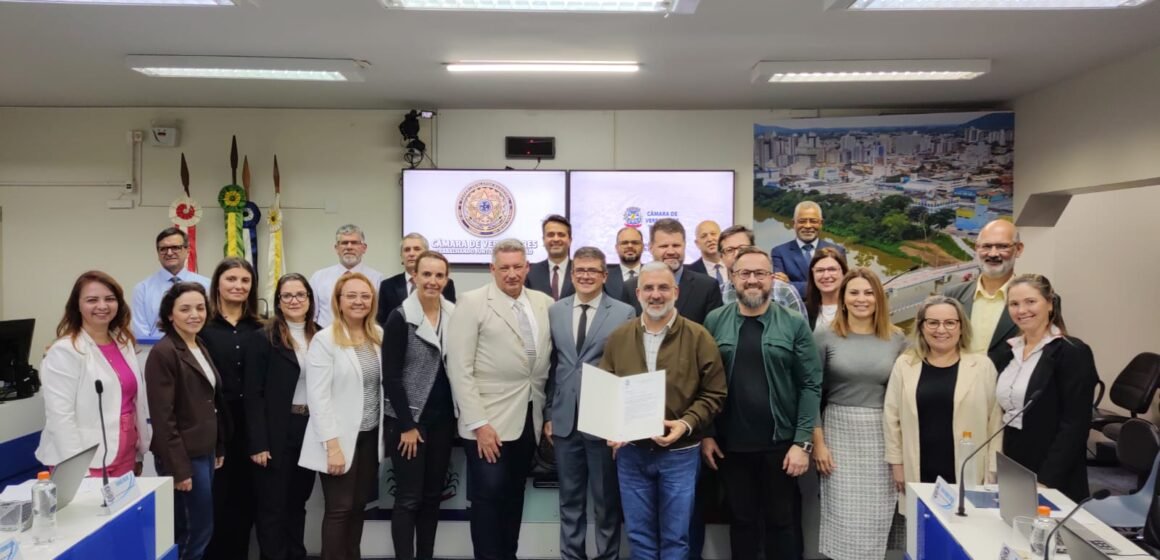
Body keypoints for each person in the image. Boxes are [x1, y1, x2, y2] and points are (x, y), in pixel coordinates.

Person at [599, 261, 728, 560]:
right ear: (638, 292)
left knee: (676, 540)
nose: (656, 294)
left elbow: (714, 393)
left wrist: (686, 423)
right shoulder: (619, 337)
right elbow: (606, 390)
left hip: (680, 454)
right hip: (631, 454)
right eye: (649, 288)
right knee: (639, 538)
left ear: (676, 292)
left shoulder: (699, 337)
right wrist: (611, 426)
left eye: (663, 287)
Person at [702, 247, 823, 560]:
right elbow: (703, 382)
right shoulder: (715, 320)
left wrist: (802, 443)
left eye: (760, 274)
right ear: (733, 278)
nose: (752, 280)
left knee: (782, 524)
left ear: (771, 279)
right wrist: (708, 433)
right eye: (745, 274)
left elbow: (811, 384)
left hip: (781, 446)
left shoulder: (794, 323)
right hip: (731, 446)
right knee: (741, 523)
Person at [446, 239, 553, 560]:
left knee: (513, 496)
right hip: (487, 423)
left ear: (527, 268)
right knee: (488, 498)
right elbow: (459, 368)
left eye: (517, 267)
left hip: (528, 418)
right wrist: (479, 424)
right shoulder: (472, 302)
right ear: (492, 269)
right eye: (504, 267)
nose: (511, 274)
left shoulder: (544, 303)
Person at [544, 247, 636, 560]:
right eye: (580, 270)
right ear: (572, 274)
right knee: (569, 500)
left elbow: (628, 368)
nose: (585, 275)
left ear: (604, 275)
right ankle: (571, 556)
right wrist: (547, 414)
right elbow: (551, 365)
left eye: (593, 270)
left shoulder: (623, 312)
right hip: (564, 420)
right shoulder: (555, 310)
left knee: (605, 501)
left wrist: (622, 422)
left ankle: (607, 556)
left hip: (603, 420)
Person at [812, 268, 908, 560]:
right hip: (838, 434)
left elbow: (902, 396)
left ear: (879, 299)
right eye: (853, 292)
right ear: (842, 298)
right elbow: (811, 392)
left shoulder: (898, 339)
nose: (861, 299)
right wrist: (818, 444)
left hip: (881, 434)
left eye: (868, 293)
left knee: (877, 516)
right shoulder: (825, 336)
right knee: (844, 516)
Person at [298, 272, 384, 560]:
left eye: (365, 296)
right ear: (338, 301)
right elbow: (318, 397)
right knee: (340, 509)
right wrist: (332, 447)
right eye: (351, 295)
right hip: (337, 439)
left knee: (359, 506)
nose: (359, 301)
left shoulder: (378, 335)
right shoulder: (325, 339)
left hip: (370, 436)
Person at [992, 274, 1097, 501]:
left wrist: (1046, 480)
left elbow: (1075, 425)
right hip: (1012, 459)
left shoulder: (1072, 352)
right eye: (1014, 304)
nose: (1022, 310)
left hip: (1052, 468)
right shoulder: (1008, 352)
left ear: (1050, 303)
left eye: (1030, 302)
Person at [37, 271, 151, 478]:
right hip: (87, 460)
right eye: (92, 300)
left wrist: (138, 455)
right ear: (77, 305)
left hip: (125, 453)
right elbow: (60, 418)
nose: (102, 306)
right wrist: (78, 471)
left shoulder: (123, 344)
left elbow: (134, 403)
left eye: (109, 299)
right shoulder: (65, 350)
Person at [381, 251, 457, 560]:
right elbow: (391, 377)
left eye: (439, 275)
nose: (433, 281)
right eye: (427, 275)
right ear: (414, 276)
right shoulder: (400, 317)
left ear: (446, 279)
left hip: (442, 421)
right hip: (410, 422)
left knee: (431, 498)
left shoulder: (455, 314)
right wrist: (407, 425)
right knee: (408, 499)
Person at [884, 296, 1001, 492]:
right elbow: (891, 417)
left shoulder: (982, 366)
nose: (941, 330)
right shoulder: (905, 364)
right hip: (919, 467)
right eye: (933, 323)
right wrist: (897, 464)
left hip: (968, 468)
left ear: (961, 327)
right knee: (921, 520)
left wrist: (992, 468)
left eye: (950, 323)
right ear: (921, 327)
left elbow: (995, 422)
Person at [145, 282, 225, 560]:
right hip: (183, 456)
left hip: (204, 451)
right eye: (185, 309)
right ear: (170, 314)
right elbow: (163, 418)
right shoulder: (164, 352)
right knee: (194, 531)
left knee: (200, 527)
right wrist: (179, 470)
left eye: (200, 308)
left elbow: (210, 402)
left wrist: (218, 447)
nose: (195, 314)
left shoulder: (197, 344)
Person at [243, 273, 319, 560]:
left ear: (310, 299)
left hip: (310, 430)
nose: (294, 300)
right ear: (278, 302)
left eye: (301, 295)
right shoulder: (263, 338)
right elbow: (253, 395)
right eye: (287, 296)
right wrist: (258, 442)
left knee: (297, 503)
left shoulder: (321, 335)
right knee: (272, 507)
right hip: (275, 432)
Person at [200, 258, 263, 560]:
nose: (238, 286)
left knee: (247, 500)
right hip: (216, 424)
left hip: (252, 423)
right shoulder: (202, 327)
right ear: (218, 284)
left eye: (245, 280)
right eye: (231, 279)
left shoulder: (262, 327)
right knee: (217, 500)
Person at [943, 219, 1062, 359]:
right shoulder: (952, 296)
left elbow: (1053, 351)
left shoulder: (1042, 301)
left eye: (1002, 246)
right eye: (986, 246)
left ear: (1018, 249)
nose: (993, 254)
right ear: (977, 248)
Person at [622, 218, 722, 324]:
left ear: (684, 246)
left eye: (676, 245)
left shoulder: (707, 287)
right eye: (664, 246)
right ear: (651, 248)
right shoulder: (631, 288)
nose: (671, 251)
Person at [131, 227, 210, 339]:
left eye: (175, 248)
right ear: (157, 253)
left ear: (187, 250)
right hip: (156, 352)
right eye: (163, 249)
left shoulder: (207, 285)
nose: (169, 253)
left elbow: (210, 325)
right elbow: (141, 332)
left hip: (196, 350)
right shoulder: (142, 289)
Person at [718, 225, 806, 317]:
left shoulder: (784, 291)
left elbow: (801, 329)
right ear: (721, 257)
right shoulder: (719, 293)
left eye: (742, 248)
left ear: (754, 249)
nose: (736, 254)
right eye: (730, 250)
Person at [310, 224, 385, 327]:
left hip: (363, 339)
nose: (349, 247)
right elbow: (311, 316)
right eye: (344, 243)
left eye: (354, 243)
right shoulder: (318, 277)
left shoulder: (377, 278)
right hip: (326, 339)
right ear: (336, 248)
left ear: (364, 248)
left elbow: (378, 316)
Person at [376, 232, 456, 325]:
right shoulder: (387, 285)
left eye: (417, 249)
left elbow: (450, 318)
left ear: (426, 254)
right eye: (407, 250)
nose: (411, 253)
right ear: (401, 256)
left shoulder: (445, 284)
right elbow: (381, 322)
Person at [771, 201, 846, 298]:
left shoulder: (837, 251)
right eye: (802, 221)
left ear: (821, 223)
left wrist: (791, 284)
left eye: (813, 221)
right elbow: (781, 288)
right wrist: (825, 285)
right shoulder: (779, 252)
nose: (807, 226)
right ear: (794, 223)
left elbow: (842, 285)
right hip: (794, 310)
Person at [526, 214, 575, 301]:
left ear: (570, 240)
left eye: (561, 235)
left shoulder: (581, 271)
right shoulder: (530, 272)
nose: (556, 239)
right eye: (551, 235)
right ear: (543, 240)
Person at [804, 248, 849, 332]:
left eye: (832, 269)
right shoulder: (803, 311)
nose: (826, 276)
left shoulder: (855, 307)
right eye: (820, 270)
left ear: (844, 273)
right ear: (812, 275)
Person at [605, 226, 643, 304]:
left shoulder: (653, 275)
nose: (630, 246)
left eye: (635, 242)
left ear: (642, 247)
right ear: (616, 248)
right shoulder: (605, 278)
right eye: (624, 243)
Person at [687, 220, 725, 290]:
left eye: (713, 234)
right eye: (704, 236)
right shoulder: (689, 273)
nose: (710, 239)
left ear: (722, 237)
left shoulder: (734, 266)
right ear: (697, 243)